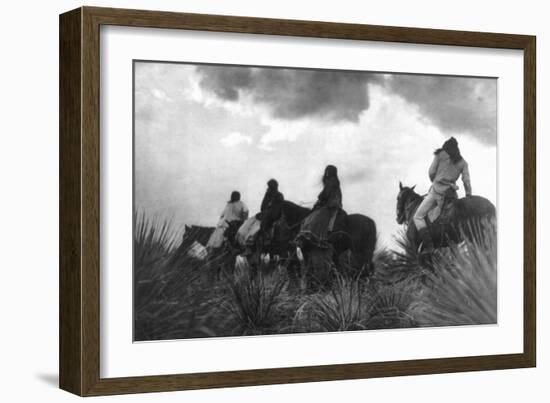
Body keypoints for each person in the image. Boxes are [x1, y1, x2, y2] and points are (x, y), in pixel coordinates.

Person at [413, 137, 472, 251]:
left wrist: (436, 180)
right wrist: (468, 195)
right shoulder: (463, 163)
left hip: (435, 191)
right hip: (450, 194)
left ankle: (429, 246)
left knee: (418, 216)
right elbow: (466, 181)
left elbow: (431, 172)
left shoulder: (440, 155)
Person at [295, 165, 343, 248]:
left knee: (316, 217)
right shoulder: (334, 181)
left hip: (331, 204)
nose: (326, 173)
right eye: (326, 171)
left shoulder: (331, 181)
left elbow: (324, 195)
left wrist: (319, 200)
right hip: (332, 203)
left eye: (328, 171)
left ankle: (315, 238)